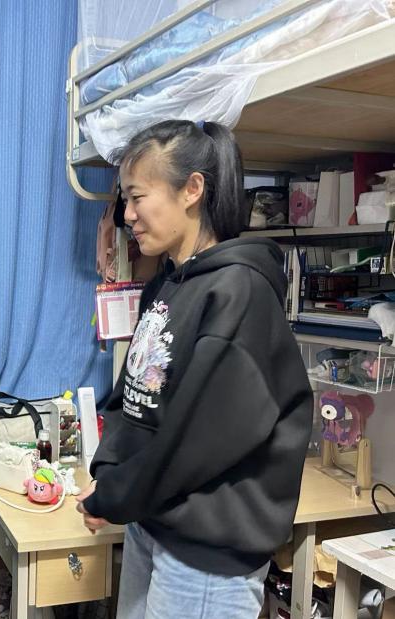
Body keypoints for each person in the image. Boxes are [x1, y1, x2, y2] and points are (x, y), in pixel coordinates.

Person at [75, 120, 313, 618]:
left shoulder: (239, 293)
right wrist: (107, 475)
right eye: (125, 199)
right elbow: (132, 398)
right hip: (153, 522)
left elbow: (193, 440)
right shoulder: (167, 284)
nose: (127, 214)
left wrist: (115, 496)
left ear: (192, 190)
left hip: (206, 555)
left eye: (137, 197)